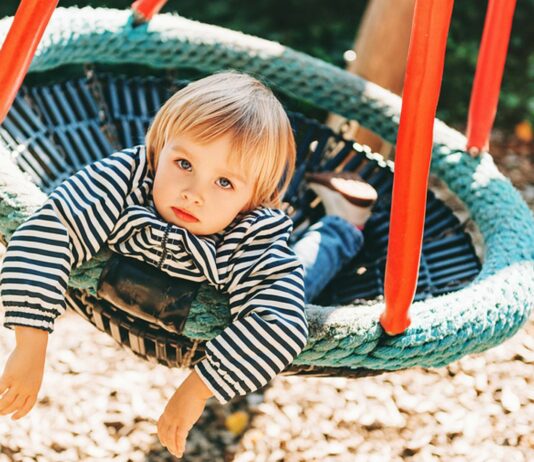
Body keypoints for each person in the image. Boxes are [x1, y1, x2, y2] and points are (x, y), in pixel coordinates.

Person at [0, 70, 376, 458]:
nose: (194, 193)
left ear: (252, 201)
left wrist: (197, 390)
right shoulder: (126, 178)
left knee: (305, 270)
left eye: (225, 183)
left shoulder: (251, 236)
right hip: (139, 311)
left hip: (213, 323)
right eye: (184, 164)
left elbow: (279, 322)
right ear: (160, 148)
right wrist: (31, 342)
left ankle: (344, 224)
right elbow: (50, 231)